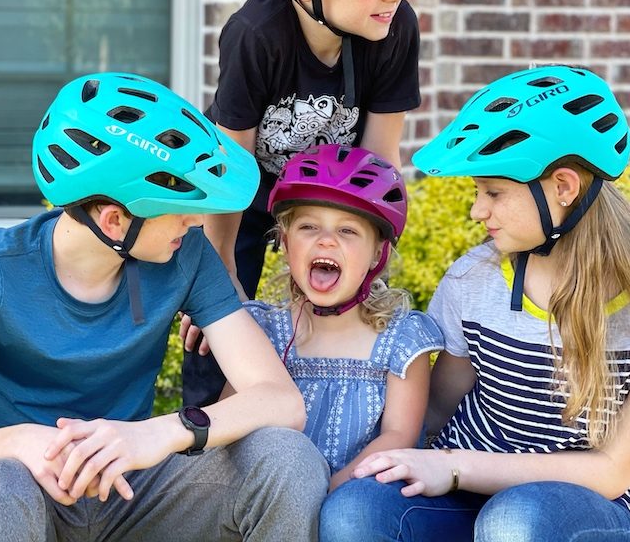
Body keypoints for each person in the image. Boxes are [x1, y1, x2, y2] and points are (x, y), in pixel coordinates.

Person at [0, 72, 329, 542]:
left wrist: (160, 433)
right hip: (15, 493)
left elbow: (281, 402)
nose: (196, 220)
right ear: (115, 221)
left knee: (288, 459)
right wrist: (19, 441)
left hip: (132, 490)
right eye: (177, 206)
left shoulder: (185, 254)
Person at [319, 65, 630, 542]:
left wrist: (454, 466)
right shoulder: (474, 277)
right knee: (354, 510)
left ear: (563, 188)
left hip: (572, 504)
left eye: (494, 193)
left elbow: (613, 471)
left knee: (512, 522)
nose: (477, 211)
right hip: (459, 488)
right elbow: (438, 411)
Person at [185, 0, 459, 407]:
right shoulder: (256, 34)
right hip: (246, 193)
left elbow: (379, 157)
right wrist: (220, 285)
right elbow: (230, 171)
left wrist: (373, 260)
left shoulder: (393, 27)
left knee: (352, 312)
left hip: (335, 190)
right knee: (215, 329)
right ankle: (204, 439)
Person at [183, 144, 443, 492]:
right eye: (308, 227)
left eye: (347, 231)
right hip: (272, 496)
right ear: (286, 244)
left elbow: (399, 437)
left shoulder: (401, 341)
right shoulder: (262, 332)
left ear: (376, 253)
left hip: (353, 496)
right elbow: (232, 424)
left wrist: (325, 495)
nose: (326, 242)